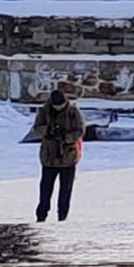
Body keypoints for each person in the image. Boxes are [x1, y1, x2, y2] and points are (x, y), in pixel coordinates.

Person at [32, 88, 86, 222]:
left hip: (67, 157)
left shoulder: (73, 111)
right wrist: (48, 131)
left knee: (65, 191)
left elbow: (80, 130)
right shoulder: (45, 111)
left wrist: (65, 136)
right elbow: (36, 129)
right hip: (49, 157)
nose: (58, 108)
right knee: (45, 189)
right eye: (56, 106)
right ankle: (41, 216)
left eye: (60, 106)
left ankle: (62, 217)